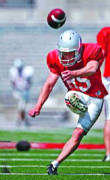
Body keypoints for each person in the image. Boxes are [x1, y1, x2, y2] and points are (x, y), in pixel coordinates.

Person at [28, 29, 108, 175]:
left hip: (95, 98)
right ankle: (54, 165)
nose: (66, 56)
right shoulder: (54, 58)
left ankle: (56, 162)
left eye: (70, 52)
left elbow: (93, 68)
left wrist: (74, 73)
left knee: (78, 134)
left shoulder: (91, 51)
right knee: (69, 96)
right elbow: (49, 84)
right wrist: (38, 106)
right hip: (78, 94)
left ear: (78, 49)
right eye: (63, 52)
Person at [97, 27, 110, 161]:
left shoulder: (106, 32)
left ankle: (109, 153)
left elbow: (102, 54)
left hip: (109, 77)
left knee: (109, 118)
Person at [9, 58, 34, 126]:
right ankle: (21, 121)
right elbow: (13, 82)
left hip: (25, 91)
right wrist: (16, 89)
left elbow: (29, 82)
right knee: (21, 107)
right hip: (18, 91)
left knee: (23, 108)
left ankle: (21, 121)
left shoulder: (26, 71)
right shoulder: (14, 71)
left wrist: (26, 88)